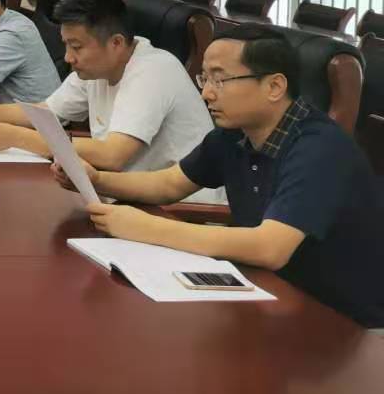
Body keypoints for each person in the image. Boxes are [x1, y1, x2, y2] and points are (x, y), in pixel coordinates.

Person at [58, 25, 384, 328]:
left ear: (274, 86)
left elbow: (270, 247)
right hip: (266, 294)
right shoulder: (234, 134)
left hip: (344, 324)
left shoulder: (321, 148)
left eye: (220, 80)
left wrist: (146, 228)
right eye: (205, 79)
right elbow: (168, 184)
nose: (206, 94)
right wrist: (96, 180)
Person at [0, 0, 221, 201]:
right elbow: (47, 112)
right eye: (66, 45)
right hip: (119, 196)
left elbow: (113, 155)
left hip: (179, 210)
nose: (68, 57)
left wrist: (16, 137)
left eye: (76, 47)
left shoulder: (153, 70)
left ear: (116, 43)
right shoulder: (96, 68)